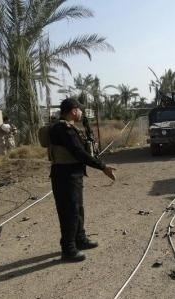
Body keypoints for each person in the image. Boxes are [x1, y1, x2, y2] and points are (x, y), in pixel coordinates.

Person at [49, 98, 116, 262]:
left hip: (72, 174)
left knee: (77, 209)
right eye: (80, 110)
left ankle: (80, 239)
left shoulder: (69, 127)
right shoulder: (63, 128)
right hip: (65, 176)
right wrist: (102, 167)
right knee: (69, 212)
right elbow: (79, 152)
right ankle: (68, 249)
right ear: (73, 110)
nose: (82, 113)